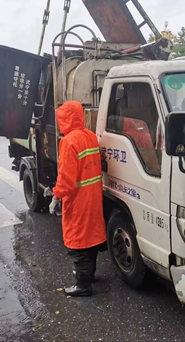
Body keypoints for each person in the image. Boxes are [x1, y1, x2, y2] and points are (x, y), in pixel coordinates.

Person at [50, 101, 107, 297]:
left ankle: (83, 285)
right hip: (93, 197)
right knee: (90, 237)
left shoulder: (68, 142)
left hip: (78, 201)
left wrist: (56, 196)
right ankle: (89, 275)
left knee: (78, 241)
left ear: (65, 119)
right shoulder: (90, 136)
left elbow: (66, 179)